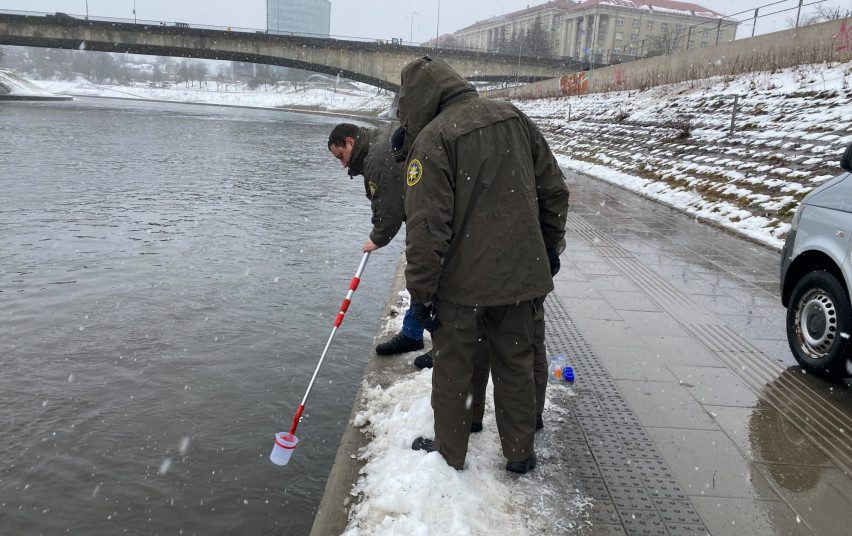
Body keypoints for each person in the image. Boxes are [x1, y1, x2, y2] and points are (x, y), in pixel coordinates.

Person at [397, 57, 569, 474]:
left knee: (455, 367)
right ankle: (519, 453)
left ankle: (451, 450)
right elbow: (555, 191)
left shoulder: (434, 139)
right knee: (516, 363)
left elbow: (426, 229)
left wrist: (421, 296)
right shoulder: (515, 118)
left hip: (463, 284)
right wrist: (549, 248)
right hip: (521, 277)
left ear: (419, 99)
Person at [327, 122, 432, 362]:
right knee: (422, 273)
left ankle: (447, 346)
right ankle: (412, 332)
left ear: (350, 142)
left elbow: (389, 207)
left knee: (431, 275)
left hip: (432, 212)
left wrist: (377, 238)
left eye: (341, 156)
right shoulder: (376, 140)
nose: (343, 165)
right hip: (425, 209)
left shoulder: (376, 158)